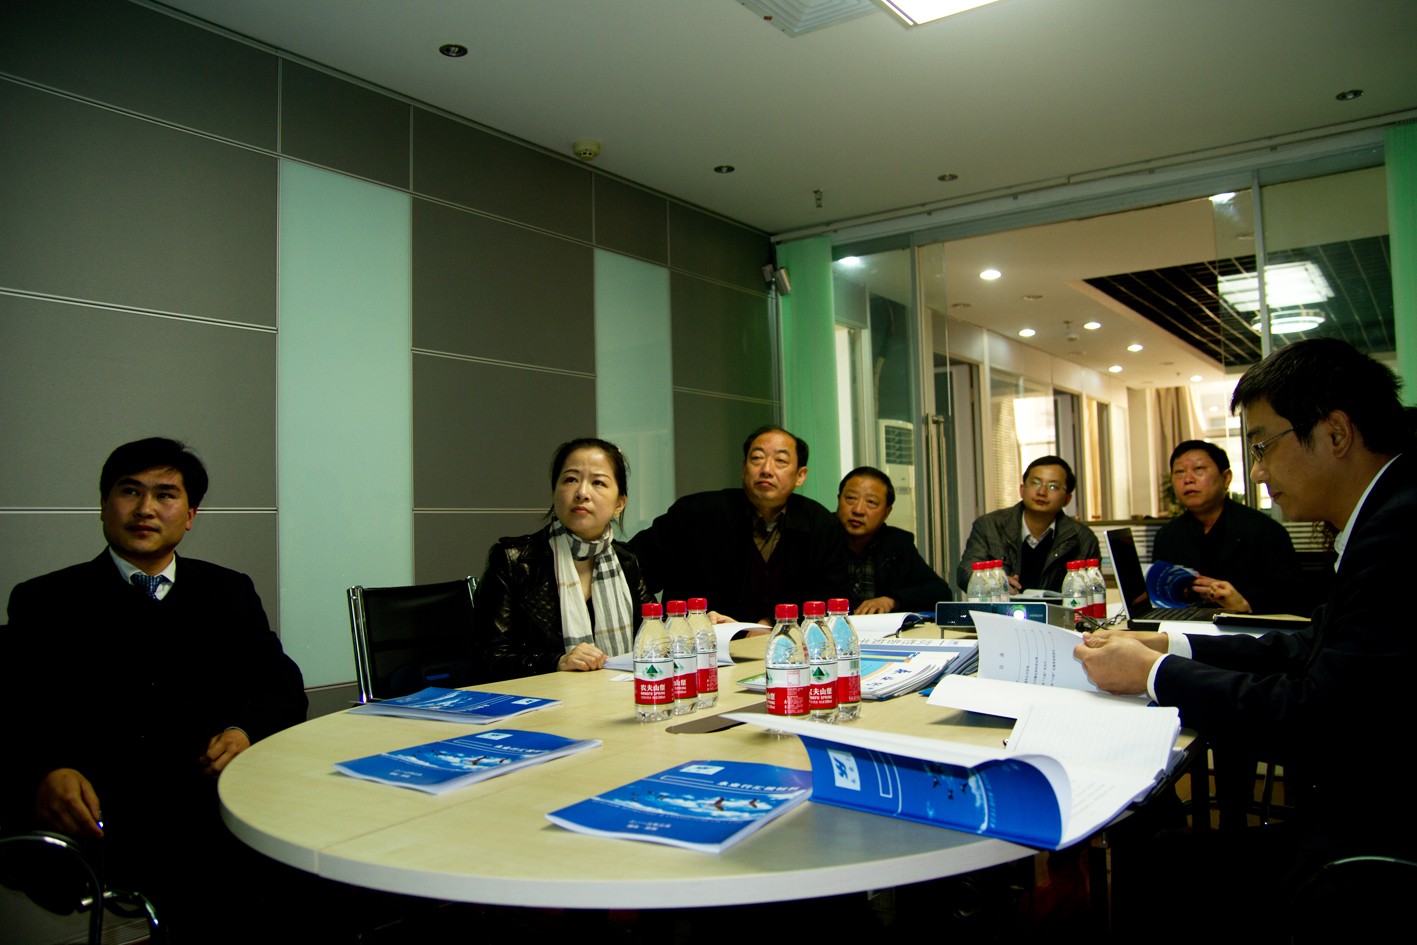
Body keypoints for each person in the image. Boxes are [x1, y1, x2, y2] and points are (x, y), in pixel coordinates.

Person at [1074, 338, 1416, 871]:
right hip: (1365, 810)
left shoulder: (1399, 532)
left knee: (1155, 864)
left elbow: (1317, 716)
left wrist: (1153, 674)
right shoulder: (1388, 511)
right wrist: (1167, 643)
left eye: (1263, 447)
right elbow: (1304, 646)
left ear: (1336, 433)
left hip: (1375, 841)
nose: (1259, 473)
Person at [2, 437, 308, 934]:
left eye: (165, 495)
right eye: (130, 491)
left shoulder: (228, 591)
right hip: (111, 817)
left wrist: (243, 730)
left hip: (214, 804)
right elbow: (16, 713)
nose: (145, 509)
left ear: (189, 516)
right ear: (105, 505)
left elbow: (282, 685)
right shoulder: (46, 600)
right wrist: (47, 770)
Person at [472, 437, 655, 680]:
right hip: (541, 699)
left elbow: (656, 637)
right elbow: (487, 658)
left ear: (619, 504)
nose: (582, 493)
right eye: (570, 480)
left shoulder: (626, 561)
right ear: (553, 492)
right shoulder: (513, 560)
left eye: (598, 482)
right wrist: (556, 661)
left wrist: (690, 628)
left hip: (615, 694)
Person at [630, 426, 849, 625]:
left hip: (787, 646)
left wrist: (772, 623)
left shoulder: (821, 525)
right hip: (703, 645)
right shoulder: (696, 514)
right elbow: (632, 566)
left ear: (800, 475)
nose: (766, 469)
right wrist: (664, 620)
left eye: (780, 461)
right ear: (744, 468)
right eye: (757, 458)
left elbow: (830, 594)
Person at [1154, 440, 1305, 615]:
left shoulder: (1264, 530)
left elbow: (1292, 599)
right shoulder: (1167, 537)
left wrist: (1239, 599)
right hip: (1183, 626)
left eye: (1198, 469)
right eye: (1180, 472)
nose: (1188, 479)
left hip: (1250, 626)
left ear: (1226, 478)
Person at [954, 455, 1100, 595]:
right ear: (1022, 490)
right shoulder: (989, 526)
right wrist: (993, 584)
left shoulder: (1083, 538)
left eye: (1053, 487)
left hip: (1057, 612)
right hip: (1001, 610)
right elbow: (966, 572)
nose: (1041, 492)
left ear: (1067, 499)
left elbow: (1092, 590)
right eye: (1035, 483)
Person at [837, 466, 953, 614]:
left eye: (871, 502)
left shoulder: (897, 544)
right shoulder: (818, 536)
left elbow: (940, 592)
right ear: (839, 499)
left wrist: (893, 600)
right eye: (850, 498)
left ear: (887, 512)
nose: (858, 510)